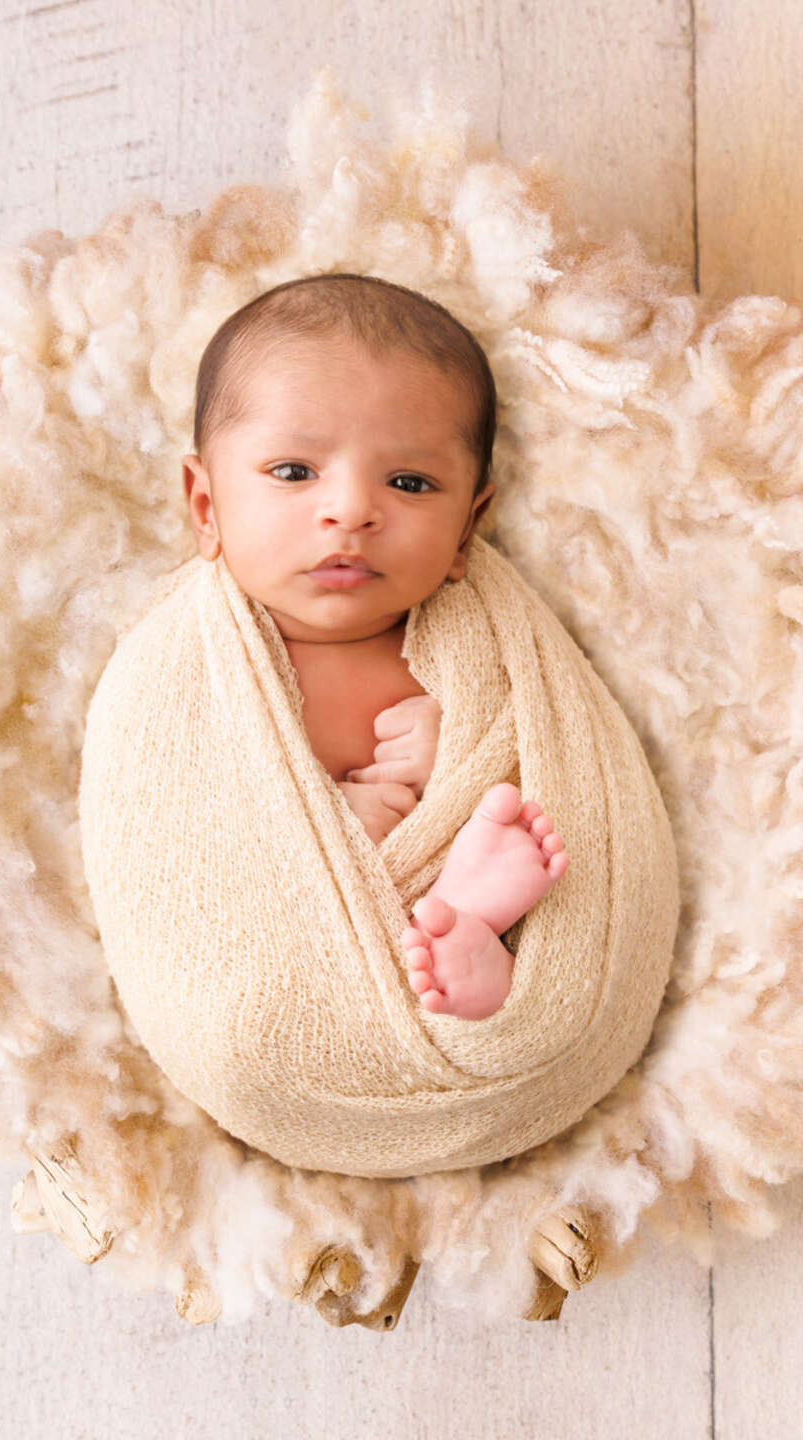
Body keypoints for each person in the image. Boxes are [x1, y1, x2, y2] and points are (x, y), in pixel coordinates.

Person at [178, 272, 569, 1020]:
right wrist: (323, 826)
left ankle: (474, 939)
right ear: (206, 507)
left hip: (439, 905)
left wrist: (454, 763)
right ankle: (458, 935)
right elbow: (179, 836)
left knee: (506, 830)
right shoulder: (193, 669)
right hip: (283, 969)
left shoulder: (473, 651)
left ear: (467, 527)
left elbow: (552, 757)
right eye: (294, 472)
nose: (352, 509)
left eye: (410, 483)